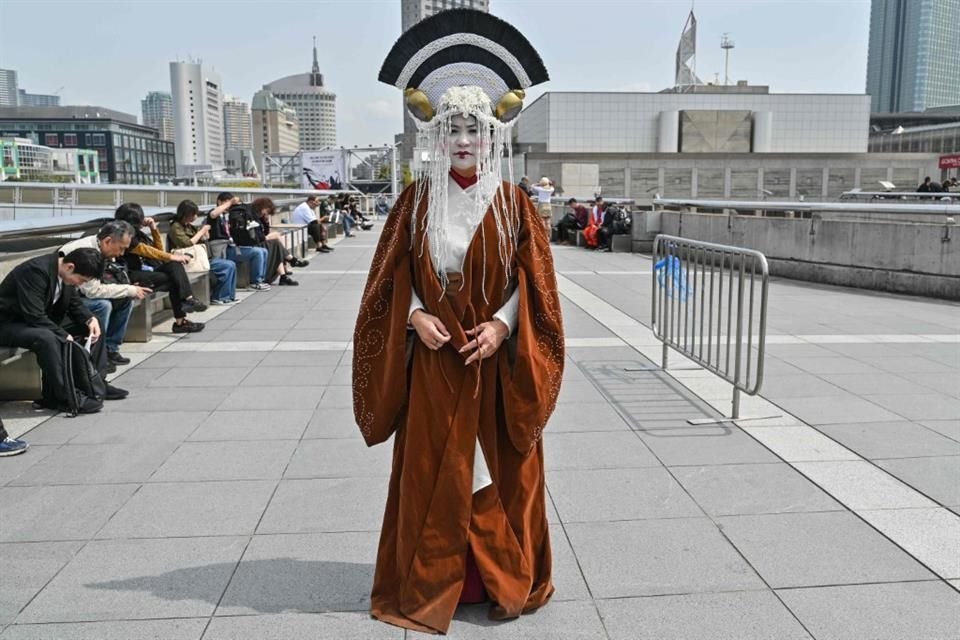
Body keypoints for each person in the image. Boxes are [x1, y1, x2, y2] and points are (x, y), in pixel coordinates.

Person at [355, 9, 563, 634]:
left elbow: (539, 290)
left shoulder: (513, 204)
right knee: (431, 471)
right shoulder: (416, 202)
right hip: (437, 365)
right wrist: (415, 316)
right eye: (453, 130)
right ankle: (430, 579)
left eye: (474, 129)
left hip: (495, 361)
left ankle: (500, 577)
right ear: (436, 137)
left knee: (500, 470)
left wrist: (502, 325)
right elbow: (390, 284)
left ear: (492, 134)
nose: (465, 140)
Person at [0, 248, 128, 413]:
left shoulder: (64, 274)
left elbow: (74, 303)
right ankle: (65, 395)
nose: (79, 284)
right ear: (70, 267)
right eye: (80, 280)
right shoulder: (35, 271)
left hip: (35, 322)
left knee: (94, 326)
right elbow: (34, 315)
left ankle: (94, 382)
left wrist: (89, 319)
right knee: (47, 337)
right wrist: (62, 334)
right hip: (8, 324)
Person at [59, 220, 152, 368]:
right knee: (103, 305)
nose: (121, 253)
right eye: (121, 248)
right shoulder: (86, 250)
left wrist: (127, 290)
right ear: (108, 241)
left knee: (125, 299)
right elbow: (92, 291)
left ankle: (110, 349)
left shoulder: (101, 249)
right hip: (69, 299)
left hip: (81, 294)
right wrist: (129, 289)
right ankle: (97, 355)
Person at [114, 203, 206, 333]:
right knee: (173, 278)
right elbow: (146, 251)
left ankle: (187, 304)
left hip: (148, 270)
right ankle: (183, 315)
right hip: (132, 274)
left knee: (175, 269)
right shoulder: (124, 235)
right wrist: (172, 257)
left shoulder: (138, 233)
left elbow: (157, 250)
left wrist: (153, 229)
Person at [169, 200, 239, 303]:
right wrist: (201, 231)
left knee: (231, 265)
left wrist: (204, 235)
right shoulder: (176, 227)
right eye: (193, 214)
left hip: (200, 258)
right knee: (227, 266)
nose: (195, 217)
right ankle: (219, 297)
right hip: (189, 261)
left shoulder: (189, 226)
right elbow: (187, 243)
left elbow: (201, 240)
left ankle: (228, 296)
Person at [213, 192, 271, 290]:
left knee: (263, 251)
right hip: (223, 250)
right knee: (257, 253)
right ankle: (255, 282)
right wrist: (230, 202)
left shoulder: (230, 216)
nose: (230, 206)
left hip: (232, 246)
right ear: (220, 202)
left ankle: (260, 280)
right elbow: (213, 214)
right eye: (227, 203)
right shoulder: (216, 216)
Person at [248, 197, 300, 285]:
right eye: (267, 212)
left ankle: (286, 271)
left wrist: (266, 222)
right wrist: (267, 237)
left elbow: (264, 232)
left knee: (276, 243)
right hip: (254, 244)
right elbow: (258, 236)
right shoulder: (251, 216)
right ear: (262, 207)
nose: (266, 214)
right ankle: (290, 261)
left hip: (259, 242)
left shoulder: (259, 217)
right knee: (276, 242)